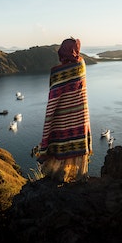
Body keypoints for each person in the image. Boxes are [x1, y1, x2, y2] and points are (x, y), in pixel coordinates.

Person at [36, 38, 92, 182]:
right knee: (77, 143)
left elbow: (53, 98)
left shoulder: (58, 72)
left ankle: (59, 175)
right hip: (80, 115)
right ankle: (79, 176)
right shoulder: (82, 64)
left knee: (60, 142)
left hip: (62, 117)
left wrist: (51, 116)